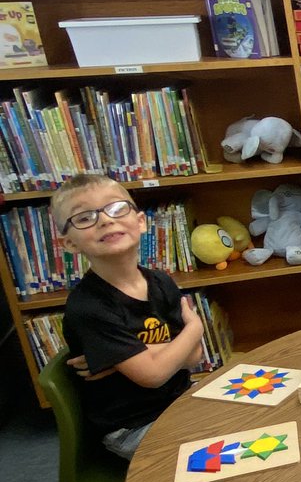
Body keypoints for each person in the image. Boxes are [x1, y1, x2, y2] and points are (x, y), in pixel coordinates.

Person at [50, 174, 204, 460]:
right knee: (225, 454)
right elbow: (154, 375)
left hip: (180, 400)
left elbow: (194, 356)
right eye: (84, 217)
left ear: (141, 222)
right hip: (133, 427)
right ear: (69, 244)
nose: (106, 220)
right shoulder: (88, 306)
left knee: (255, 420)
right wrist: (195, 327)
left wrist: (129, 357)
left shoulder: (160, 282)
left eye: (117, 208)